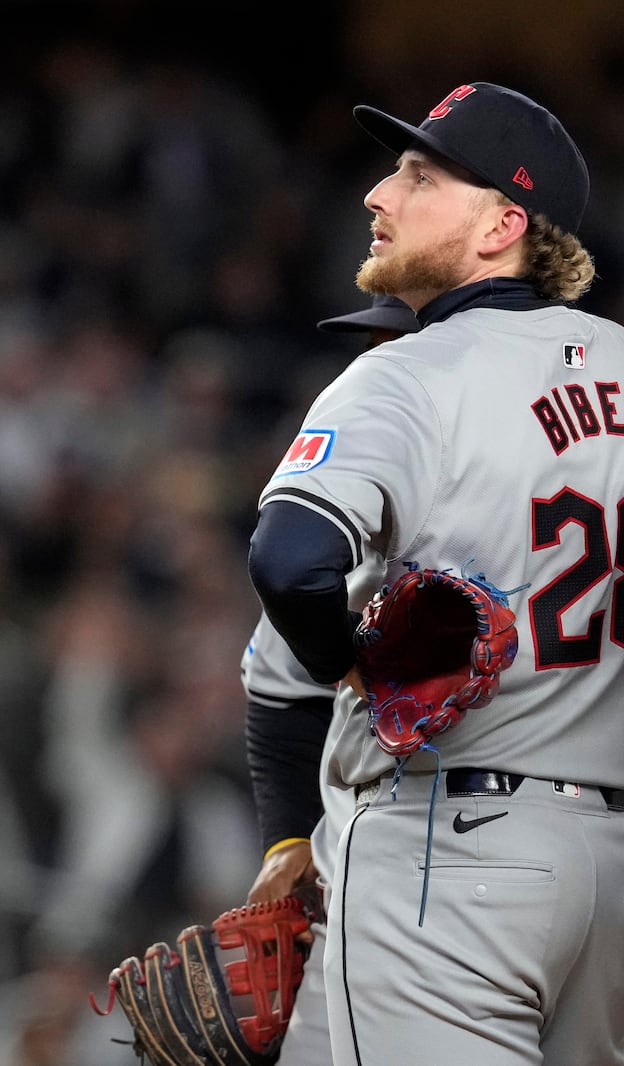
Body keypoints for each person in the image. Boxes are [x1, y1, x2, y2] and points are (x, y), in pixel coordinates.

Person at [247, 81, 624, 1066]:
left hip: (445, 848)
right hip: (616, 868)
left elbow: (289, 561)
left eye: (419, 177)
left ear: (503, 223)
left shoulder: (406, 374)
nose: (379, 193)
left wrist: (356, 672)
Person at [241, 293, 420, 1066]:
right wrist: (287, 840)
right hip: (379, 869)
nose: (374, 364)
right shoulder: (351, 549)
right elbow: (278, 694)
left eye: (396, 344)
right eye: (372, 344)